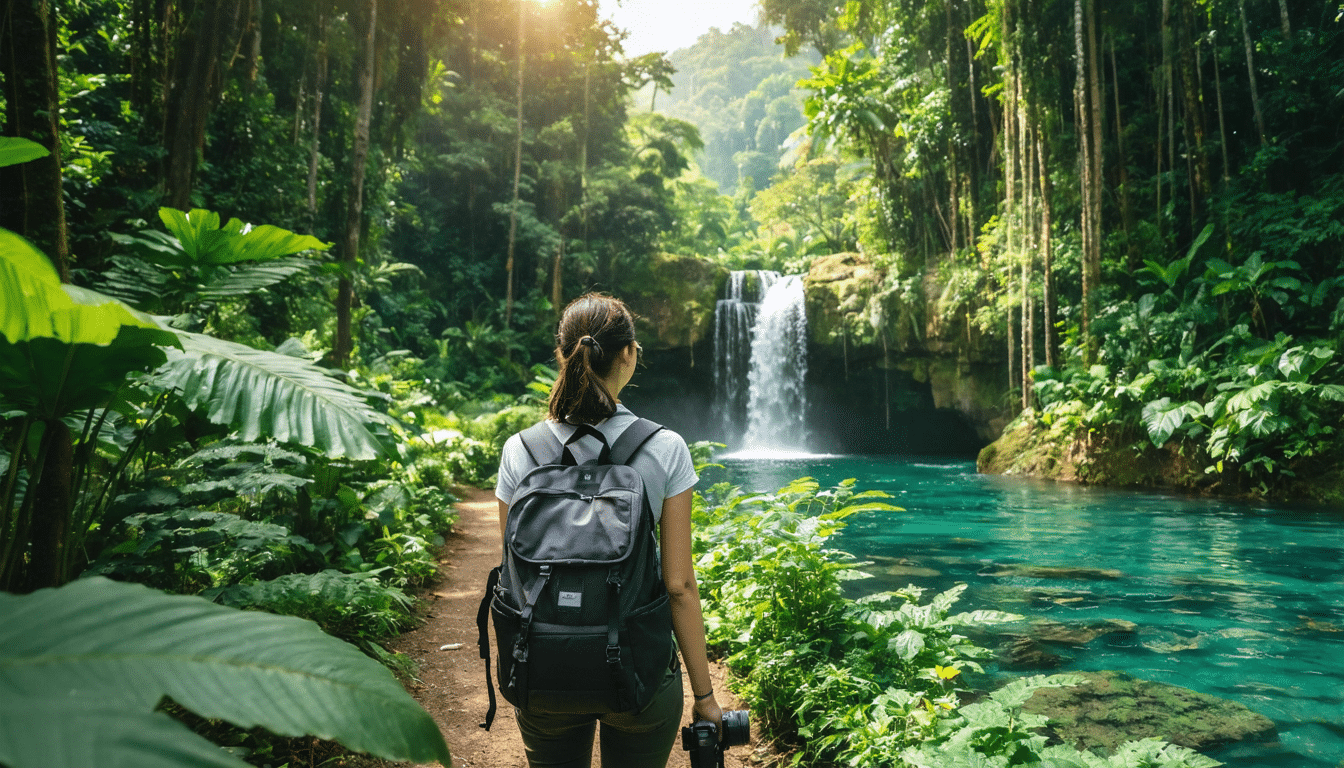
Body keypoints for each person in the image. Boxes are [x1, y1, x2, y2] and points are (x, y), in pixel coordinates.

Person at [494, 293, 723, 768]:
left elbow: (513, 572)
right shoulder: (665, 448)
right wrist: (704, 696)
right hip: (638, 674)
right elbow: (679, 587)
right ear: (629, 354)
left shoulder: (521, 450)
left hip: (543, 671)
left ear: (563, 354)